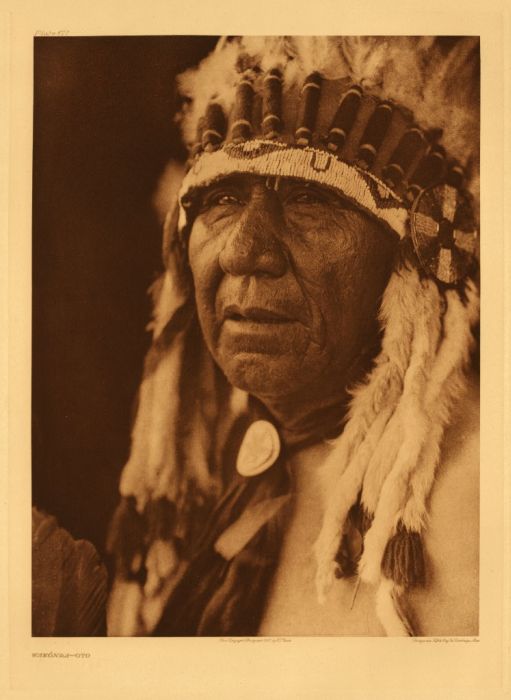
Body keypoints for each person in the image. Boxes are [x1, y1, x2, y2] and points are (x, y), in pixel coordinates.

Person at [106, 36, 480, 637]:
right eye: (223, 198)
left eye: (310, 199)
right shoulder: (186, 474)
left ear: (411, 263)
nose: (245, 251)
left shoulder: (483, 499)